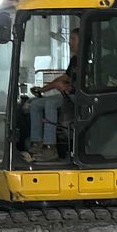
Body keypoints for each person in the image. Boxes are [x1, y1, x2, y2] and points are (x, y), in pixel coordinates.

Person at [26, 26, 81, 162]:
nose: (70, 43)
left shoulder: (89, 60)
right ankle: (36, 143)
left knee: (50, 104)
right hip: (68, 94)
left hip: (80, 97)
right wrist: (42, 90)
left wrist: (67, 88)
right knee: (35, 104)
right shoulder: (74, 60)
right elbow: (64, 78)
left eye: (73, 39)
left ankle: (50, 147)